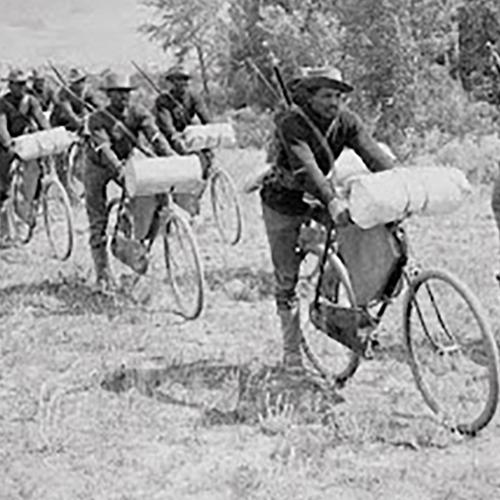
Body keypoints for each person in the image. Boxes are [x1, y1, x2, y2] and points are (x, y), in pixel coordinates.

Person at [260, 66, 396, 371]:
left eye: (338, 96)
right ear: (309, 97)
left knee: (357, 231)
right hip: (283, 200)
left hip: (319, 197)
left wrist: (399, 185)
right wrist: (333, 201)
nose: (333, 102)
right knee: (286, 276)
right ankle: (291, 351)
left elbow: (373, 155)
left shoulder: (346, 121)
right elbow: (307, 168)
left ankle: (331, 302)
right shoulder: (291, 122)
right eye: (326, 96)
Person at [84, 72, 172, 290]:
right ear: (108, 96)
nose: (123, 98)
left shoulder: (137, 112)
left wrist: (171, 157)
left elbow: (154, 135)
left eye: (126, 93)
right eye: (117, 94)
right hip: (98, 166)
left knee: (150, 195)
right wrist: (121, 170)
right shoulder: (97, 119)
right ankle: (102, 275)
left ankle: (133, 242)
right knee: (98, 220)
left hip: (125, 160)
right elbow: (105, 150)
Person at [0, 69, 49, 246]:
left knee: (37, 175)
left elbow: (41, 119)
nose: (21, 88)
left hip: (26, 142)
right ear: (10, 85)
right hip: (7, 145)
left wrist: (50, 136)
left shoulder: (31, 101)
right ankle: (3, 231)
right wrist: (8, 144)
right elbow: (2, 127)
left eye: (23, 84)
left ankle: (32, 210)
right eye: (17, 84)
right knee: (3, 187)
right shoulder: (3, 103)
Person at [153, 65, 211, 154]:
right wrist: (177, 139)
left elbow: (206, 119)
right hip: (169, 139)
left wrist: (209, 133)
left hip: (187, 134)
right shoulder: (163, 101)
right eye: (179, 80)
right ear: (172, 82)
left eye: (185, 79)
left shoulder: (194, 97)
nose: (183, 83)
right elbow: (168, 127)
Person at [50, 67, 97, 132]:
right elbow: (68, 112)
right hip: (62, 120)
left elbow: (97, 107)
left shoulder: (88, 91)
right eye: (78, 82)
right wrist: (79, 122)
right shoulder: (65, 93)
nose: (81, 84)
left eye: (83, 80)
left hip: (80, 117)